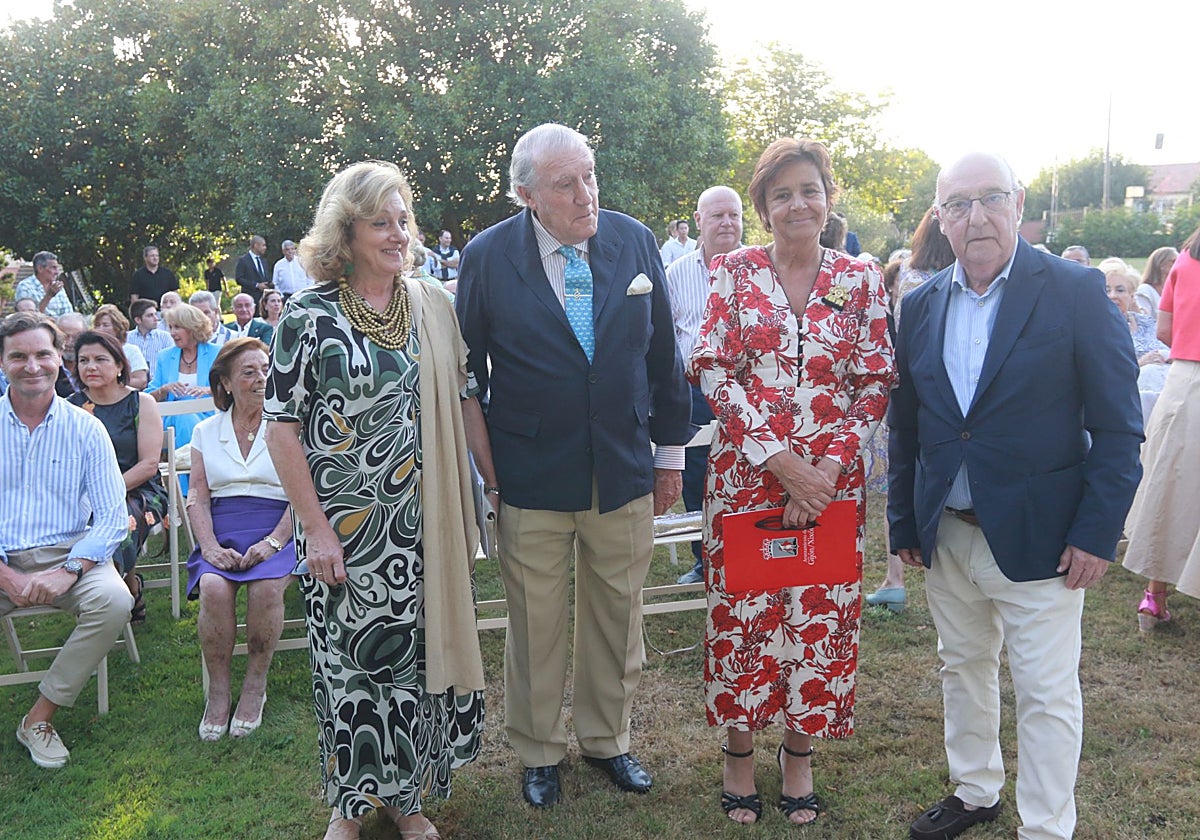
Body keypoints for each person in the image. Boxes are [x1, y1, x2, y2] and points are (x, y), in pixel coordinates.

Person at [888, 152, 1142, 840]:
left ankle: (1046, 827)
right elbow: (907, 423)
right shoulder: (921, 303)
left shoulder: (1075, 291)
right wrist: (905, 519)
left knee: (1046, 692)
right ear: (940, 218)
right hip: (951, 533)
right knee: (961, 669)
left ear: (1019, 204)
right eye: (958, 204)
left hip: (1044, 538)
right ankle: (975, 791)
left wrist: (1096, 532)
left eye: (991, 197)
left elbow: (1118, 427)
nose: (976, 216)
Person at [456, 123, 691, 809]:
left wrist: (670, 458)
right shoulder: (487, 256)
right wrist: (492, 476)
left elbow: (665, 359)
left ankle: (607, 740)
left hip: (623, 465)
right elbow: (469, 374)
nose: (586, 193)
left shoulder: (634, 239)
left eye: (589, 174)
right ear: (527, 195)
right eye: (566, 183)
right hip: (529, 472)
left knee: (618, 613)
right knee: (534, 620)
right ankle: (537, 749)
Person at [265, 161, 495, 840]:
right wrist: (316, 530)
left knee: (415, 662)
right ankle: (349, 804)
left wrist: (495, 485)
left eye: (403, 220)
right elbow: (282, 428)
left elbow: (464, 398)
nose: (397, 234)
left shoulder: (430, 303)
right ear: (347, 232)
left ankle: (406, 799)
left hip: (425, 526)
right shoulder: (309, 315)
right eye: (380, 222)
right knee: (350, 667)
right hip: (343, 527)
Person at [687, 138, 894, 826]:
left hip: (830, 489)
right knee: (745, 621)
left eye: (810, 189)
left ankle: (799, 755)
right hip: (749, 479)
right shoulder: (732, 272)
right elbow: (712, 367)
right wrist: (778, 459)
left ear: (828, 197)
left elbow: (874, 381)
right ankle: (740, 753)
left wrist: (827, 468)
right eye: (782, 194)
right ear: (763, 208)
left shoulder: (859, 278)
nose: (798, 203)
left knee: (819, 621)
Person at [0, 313, 132, 769]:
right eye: (18, 356)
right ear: (2, 363)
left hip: (71, 555)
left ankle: (39, 717)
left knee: (115, 601)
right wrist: (8, 576)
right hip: (1, 559)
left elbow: (114, 519)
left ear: (61, 358)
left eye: (42, 354)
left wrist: (69, 571)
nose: (31, 365)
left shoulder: (86, 428)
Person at [187, 338, 296, 742]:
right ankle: (218, 692)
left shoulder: (285, 425)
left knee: (266, 588)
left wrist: (274, 542)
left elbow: (303, 494)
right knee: (214, 587)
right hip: (223, 527)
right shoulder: (204, 431)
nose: (261, 378)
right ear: (226, 383)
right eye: (248, 372)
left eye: (265, 368)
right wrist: (210, 546)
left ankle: (255, 686)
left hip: (277, 524)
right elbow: (197, 495)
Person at [865, 206, 956, 612]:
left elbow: (902, 341)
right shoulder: (956, 280)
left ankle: (894, 578)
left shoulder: (910, 278)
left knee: (898, 485)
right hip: (949, 398)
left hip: (910, 391)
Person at [666, 185, 744, 586]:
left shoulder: (762, 268)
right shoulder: (676, 275)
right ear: (698, 221)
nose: (727, 223)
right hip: (694, 395)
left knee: (750, 476)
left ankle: (749, 557)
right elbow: (665, 338)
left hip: (751, 393)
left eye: (734, 214)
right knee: (697, 477)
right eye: (717, 216)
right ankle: (706, 563)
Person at [1123, 226, 1200, 631]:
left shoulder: (1185, 260)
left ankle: (1154, 598)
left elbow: (1165, 331)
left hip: (1184, 383)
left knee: (1170, 488)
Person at [68, 330, 166, 623]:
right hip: (83, 494)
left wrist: (106, 493)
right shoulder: (69, 407)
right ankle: (112, 592)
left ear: (120, 365)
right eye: (83, 360)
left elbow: (149, 464)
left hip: (140, 490)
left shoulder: (141, 403)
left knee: (121, 519)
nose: (91, 367)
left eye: (100, 359)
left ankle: (119, 590)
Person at [147, 302, 218, 453]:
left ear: (193, 328)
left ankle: (185, 471)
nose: (172, 333)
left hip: (209, 418)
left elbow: (231, 387)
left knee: (187, 420)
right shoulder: (165, 357)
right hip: (172, 421)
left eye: (177, 327)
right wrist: (164, 389)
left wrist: (208, 390)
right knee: (183, 418)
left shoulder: (217, 353)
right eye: (170, 327)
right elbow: (147, 396)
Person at [1104, 266, 1169, 421]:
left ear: (1131, 295)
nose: (1113, 296)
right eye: (1107, 290)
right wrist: (1141, 363)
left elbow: (1168, 349)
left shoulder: (1145, 322)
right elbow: (1105, 372)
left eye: (1120, 290)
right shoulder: (1096, 328)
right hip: (1127, 397)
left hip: (1163, 389)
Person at [91, 303, 150, 390]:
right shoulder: (91, 350)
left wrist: (112, 384)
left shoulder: (130, 350)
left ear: (117, 328)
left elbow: (141, 381)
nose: (100, 329)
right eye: (97, 325)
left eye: (105, 325)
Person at [15, 251, 73, 317]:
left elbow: (68, 314)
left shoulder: (58, 287)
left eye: (57, 268)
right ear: (40, 268)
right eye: (53, 268)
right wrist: (49, 296)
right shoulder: (25, 286)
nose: (57, 272)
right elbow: (28, 318)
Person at [128, 299, 174, 373]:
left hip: (160, 383)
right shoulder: (127, 338)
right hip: (133, 382)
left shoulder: (166, 337)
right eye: (150, 315)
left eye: (155, 314)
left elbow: (172, 363)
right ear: (138, 320)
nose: (156, 318)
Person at [1136, 245, 1178, 318]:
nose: (1178, 264)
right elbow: (1144, 320)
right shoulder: (1145, 290)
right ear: (1161, 264)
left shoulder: (1177, 289)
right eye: (1174, 261)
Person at [235, 236, 270, 304]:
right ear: (256, 245)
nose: (265, 248)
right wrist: (256, 285)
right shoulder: (243, 260)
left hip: (264, 299)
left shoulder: (263, 261)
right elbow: (239, 279)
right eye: (263, 245)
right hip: (250, 299)